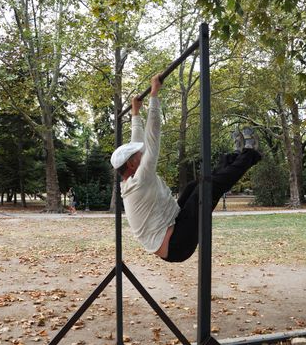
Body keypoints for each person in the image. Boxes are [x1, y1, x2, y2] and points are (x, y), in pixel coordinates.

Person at [110, 74, 262, 262]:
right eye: (138, 155)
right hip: (177, 245)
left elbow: (138, 143)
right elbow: (152, 138)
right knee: (206, 189)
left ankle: (234, 157)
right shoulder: (141, 180)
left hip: (173, 226)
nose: (143, 153)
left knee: (194, 186)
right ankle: (249, 154)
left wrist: (135, 114)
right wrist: (154, 95)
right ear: (132, 164)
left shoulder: (130, 178)